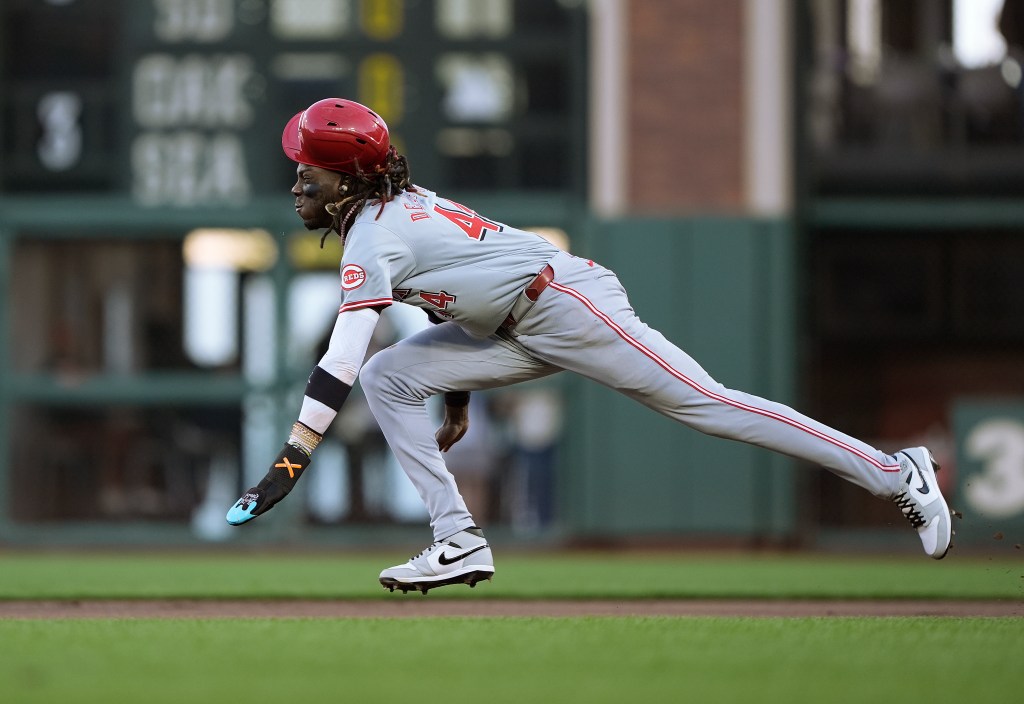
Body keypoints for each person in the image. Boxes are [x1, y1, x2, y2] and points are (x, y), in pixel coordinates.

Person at [227, 98, 955, 594]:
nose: (299, 184)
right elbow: (451, 290)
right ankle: (458, 539)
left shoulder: (374, 233)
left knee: (709, 405)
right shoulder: (389, 215)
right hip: (510, 322)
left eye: (309, 170)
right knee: (393, 377)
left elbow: (341, 356)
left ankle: (896, 472)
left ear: (351, 175)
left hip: (566, 304)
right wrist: (454, 386)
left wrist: (291, 459)